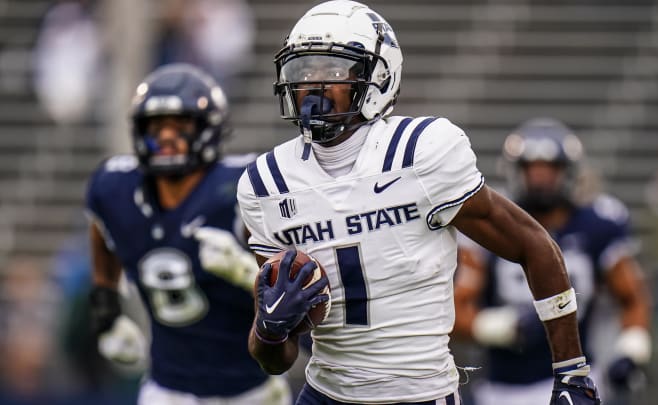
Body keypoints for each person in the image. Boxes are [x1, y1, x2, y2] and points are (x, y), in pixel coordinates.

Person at [236, 2, 601, 404]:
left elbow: (534, 245)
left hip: (421, 394)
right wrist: (270, 330)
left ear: (377, 76)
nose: (312, 85)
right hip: (324, 394)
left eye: (332, 70)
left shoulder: (421, 153)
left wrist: (571, 371)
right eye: (303, 71)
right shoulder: (266, 182)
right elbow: (275, 359)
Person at [85, 63, 292, 404]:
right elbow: (101, 225)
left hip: (251, 390)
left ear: (207, 129)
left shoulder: (244, 187)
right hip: (167, 389)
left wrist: (247, 274)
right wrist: (105, 305)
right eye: (156, 126)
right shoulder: (114, 188)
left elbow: (294, 284)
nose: (166, 137)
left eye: (179, 125)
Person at [452, 118, 652, 405]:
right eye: (532, 169)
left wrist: (632, 350)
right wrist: (500, 326)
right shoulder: (492, 226)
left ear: (568, 172)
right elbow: (455, 310)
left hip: (577, 377)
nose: (540, 179)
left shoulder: (599, 223)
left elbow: (633, 297)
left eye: (549, 170)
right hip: (501, 388)